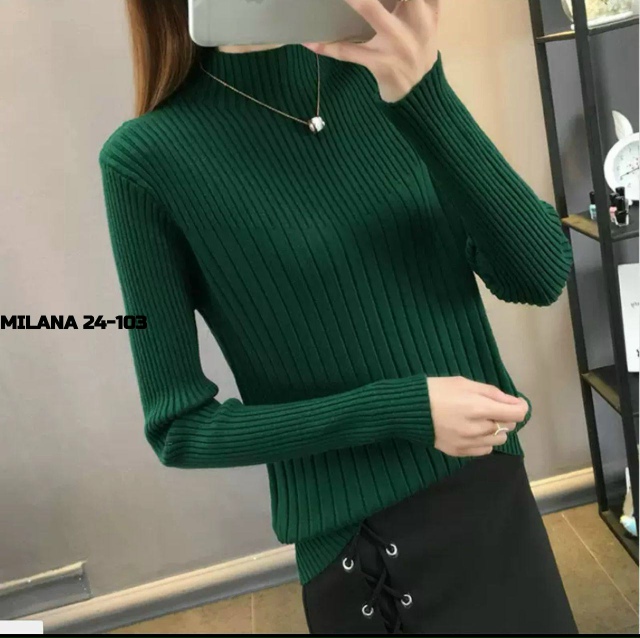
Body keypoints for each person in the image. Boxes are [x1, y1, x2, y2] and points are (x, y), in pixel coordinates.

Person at [99, 0, 579, 633]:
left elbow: (539, 274)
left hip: (493, 493)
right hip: (368, 549)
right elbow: (180, 429)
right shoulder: (146, 160)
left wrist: (424, 93)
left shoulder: (390, 83)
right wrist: (399, 409)